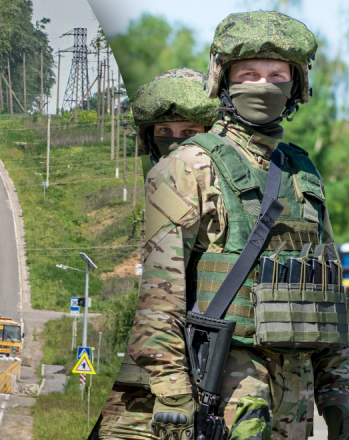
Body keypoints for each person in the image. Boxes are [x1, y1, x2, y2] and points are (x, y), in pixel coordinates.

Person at [124, 11, 349, 440]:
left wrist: (337, 392)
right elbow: (159, 299)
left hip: (296, 391)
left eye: (277, 74)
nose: (263, 86)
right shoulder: (187, 166)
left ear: (297, 84)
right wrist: (173, 393)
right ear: (223, 80)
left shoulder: (302, 173)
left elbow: (329, 288)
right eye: (248, 73)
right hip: (225, 387)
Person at [93, 67, 221, 440]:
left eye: (188, 133)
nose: (175, 141)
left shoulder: (216, 199)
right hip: (126, 386)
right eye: (164, 132)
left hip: (184, 382)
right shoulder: (148, 189)